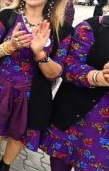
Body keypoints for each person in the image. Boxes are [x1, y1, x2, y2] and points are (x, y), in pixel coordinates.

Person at [0, 0, 73, 170]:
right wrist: (9, 46)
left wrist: (40, 53)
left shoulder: (61, 29)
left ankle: (5, 166)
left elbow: (56, 73)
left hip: (33, 95)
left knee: (19, 136)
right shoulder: (7, 16)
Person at [40, 16, 109, 170]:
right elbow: (69, 66)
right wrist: (99, 78)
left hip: (104, 134)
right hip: (72, 118)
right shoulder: (92, 27)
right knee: (59, 164)